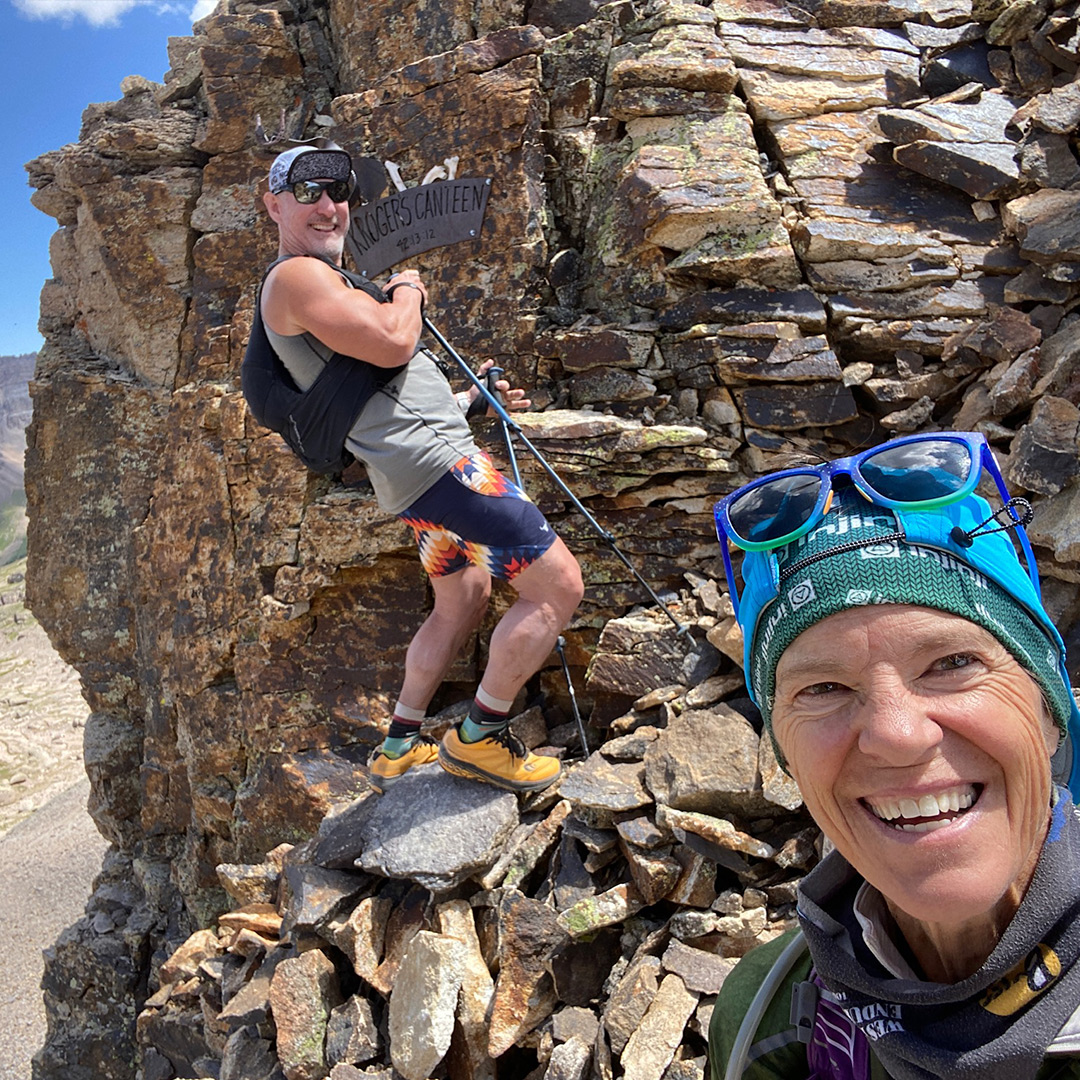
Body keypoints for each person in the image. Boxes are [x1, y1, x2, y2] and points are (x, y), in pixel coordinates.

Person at [706, 430, 1080, 1080]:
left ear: (1049, 712)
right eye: (823, 688)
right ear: (786, 757)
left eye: (953, 662)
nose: (897, 735)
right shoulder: (762, 1019)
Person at [258, 143, 584, 795]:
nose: (328, 205)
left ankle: (400, 745)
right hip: (447, 473)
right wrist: (408, 290)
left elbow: (383, 394)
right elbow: (393, 340)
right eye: (306, 192)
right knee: (559, 588)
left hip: (420, 480)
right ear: (273, 204)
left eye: (338, 190)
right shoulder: (294, 278)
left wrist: (470, 398)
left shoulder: (327, 286)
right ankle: (480, 741)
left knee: (461, 599)